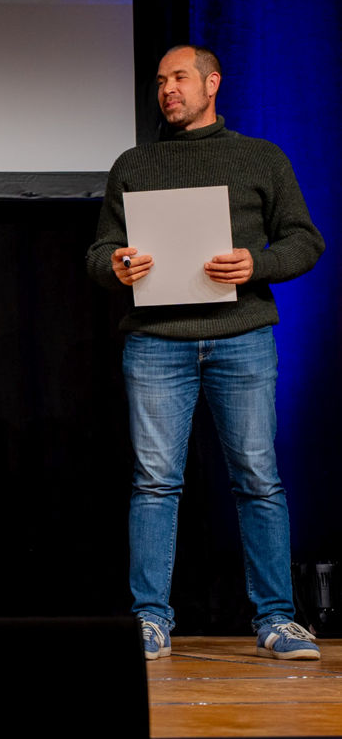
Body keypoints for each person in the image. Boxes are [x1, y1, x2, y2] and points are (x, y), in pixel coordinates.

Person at [87, 45, 325, 661]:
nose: (167, 89)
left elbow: (305, 239)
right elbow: (99, 253)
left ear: (212, 83)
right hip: (156, 344)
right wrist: (117, 264)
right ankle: (149, 620)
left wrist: (257, 263)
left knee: (259, 481)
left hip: (242, 337)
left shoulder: (259, 156)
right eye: (161, 80)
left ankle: (276, 618)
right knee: (155, 483)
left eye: (180, 78)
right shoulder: (133, 164)